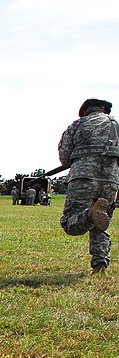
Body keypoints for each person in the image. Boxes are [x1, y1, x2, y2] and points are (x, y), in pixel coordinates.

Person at [58, 98, 119, 274]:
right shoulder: (116, 126)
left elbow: (64, 156)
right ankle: (100, 265)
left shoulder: (78, 125)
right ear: (105, 111)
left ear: (85, 111)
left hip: (83, 177)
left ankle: (90, 215)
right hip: (111, 180)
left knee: (69, 222)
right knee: (102, 224)